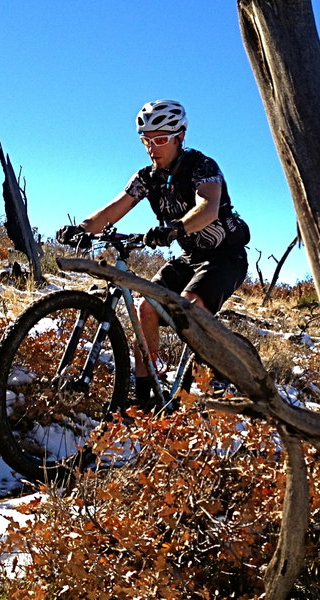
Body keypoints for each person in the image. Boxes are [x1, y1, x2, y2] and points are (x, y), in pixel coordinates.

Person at [56, 99, 249, 410]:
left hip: (223, 257)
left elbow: (207, 208)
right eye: (146, 140)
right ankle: (147, 397)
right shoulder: (146, 177)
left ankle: (196, 386)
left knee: (190, 307)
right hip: (188, 258)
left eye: (160, 139)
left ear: (180, 137)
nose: (152, 147)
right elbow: (111, 211)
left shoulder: (203, 167)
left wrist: (175, 228)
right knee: (148, 308)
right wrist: (81, 228)